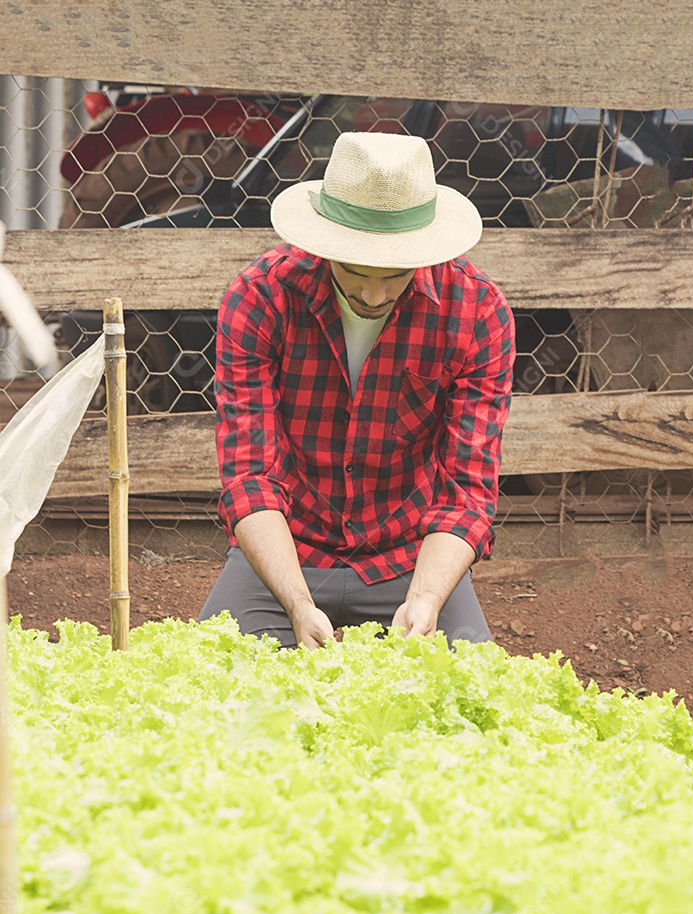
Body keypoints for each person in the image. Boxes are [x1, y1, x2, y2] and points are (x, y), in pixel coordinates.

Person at [199, 130, 515, 649]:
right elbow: (249, 477)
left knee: (468, 697)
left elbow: (467, 490)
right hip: (289, 549)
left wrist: (428, 598)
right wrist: (298, 604)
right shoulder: (260, 297)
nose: (372, 293)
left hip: (410, 554)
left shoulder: (477, 313)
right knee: (207, 684)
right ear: (325, 245)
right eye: (353, 270)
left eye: (393, 276)